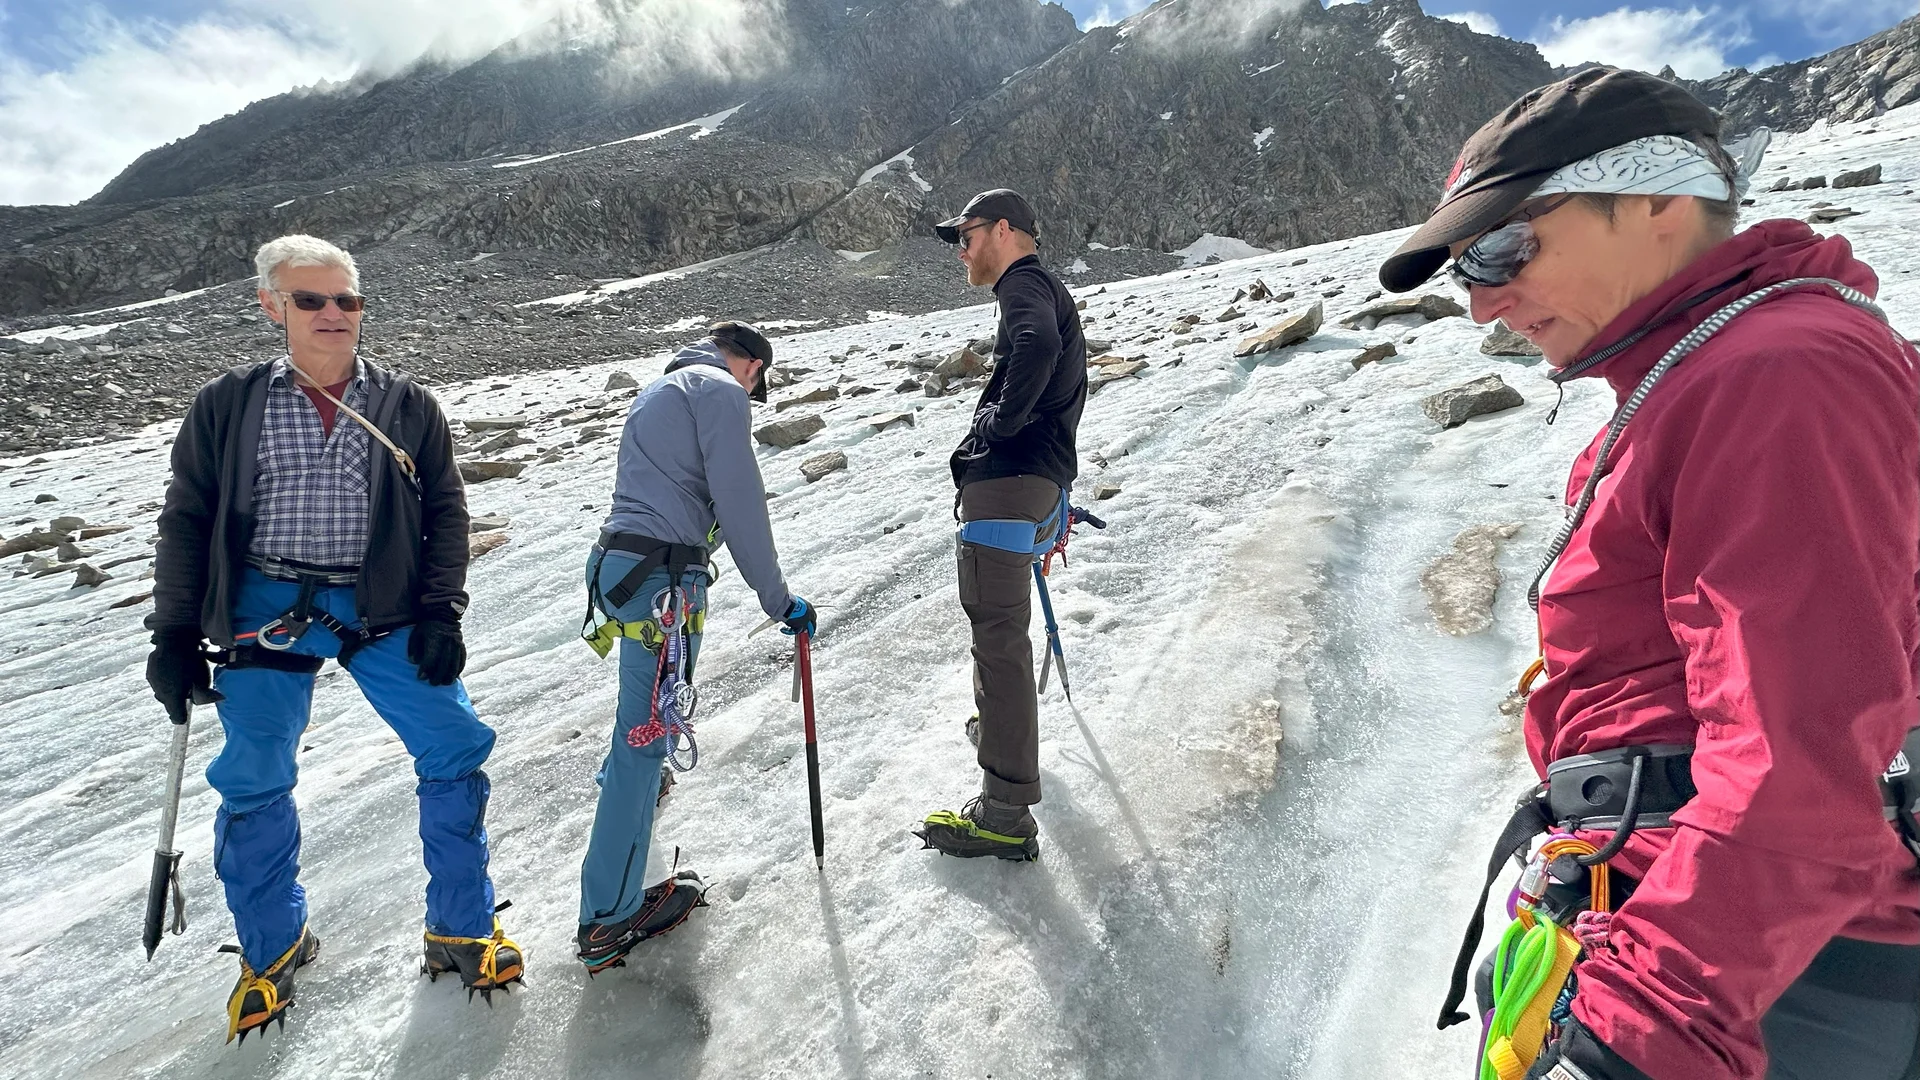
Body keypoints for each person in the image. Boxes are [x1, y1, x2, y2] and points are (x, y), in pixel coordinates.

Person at [1378, 68, 1920, 1080]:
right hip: (1693, 936)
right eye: (1466, 270)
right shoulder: (1702, 378)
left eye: (1502, 245)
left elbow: (1797, 752)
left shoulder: (1777, 372)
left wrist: (1643, 1032)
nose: (1485, 303)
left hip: (1760, 982)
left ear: (1658, 200)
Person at [145, 235, 519, 1043]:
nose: (333, 314)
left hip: (378, 602)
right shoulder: (229, 403)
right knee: (254, 773)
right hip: (262, 604)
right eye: (311, 299)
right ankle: (272, 948)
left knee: (452, 742)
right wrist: (173, 629)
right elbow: (188, 519)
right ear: (271, 305)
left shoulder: (407, 405)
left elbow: (446, 514)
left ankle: (459, 924)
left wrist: (442, 611)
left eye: (347, 300)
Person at [575, 321, 815, 973]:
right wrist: (779, 600)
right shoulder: (718, 390)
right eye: (757, 380)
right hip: (662, 584)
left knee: (639, 725)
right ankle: (608, 916)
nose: (752, 389)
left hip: (623, 569)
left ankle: (633, 796)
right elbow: (740, 503)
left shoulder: (663, 390)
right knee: (644, 736)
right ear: (751, 364)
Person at [914, 189, 1088, 861]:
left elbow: (1036, 344)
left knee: (998, 637)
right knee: (1001, 635)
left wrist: (998, 422)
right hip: (1035, 489)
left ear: (1007, 230)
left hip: (1009, 486)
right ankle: (1001, 738)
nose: (960, 249)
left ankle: (1005, 813)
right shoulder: (1040, 287)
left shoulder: (1024, 284)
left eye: (967, 234)